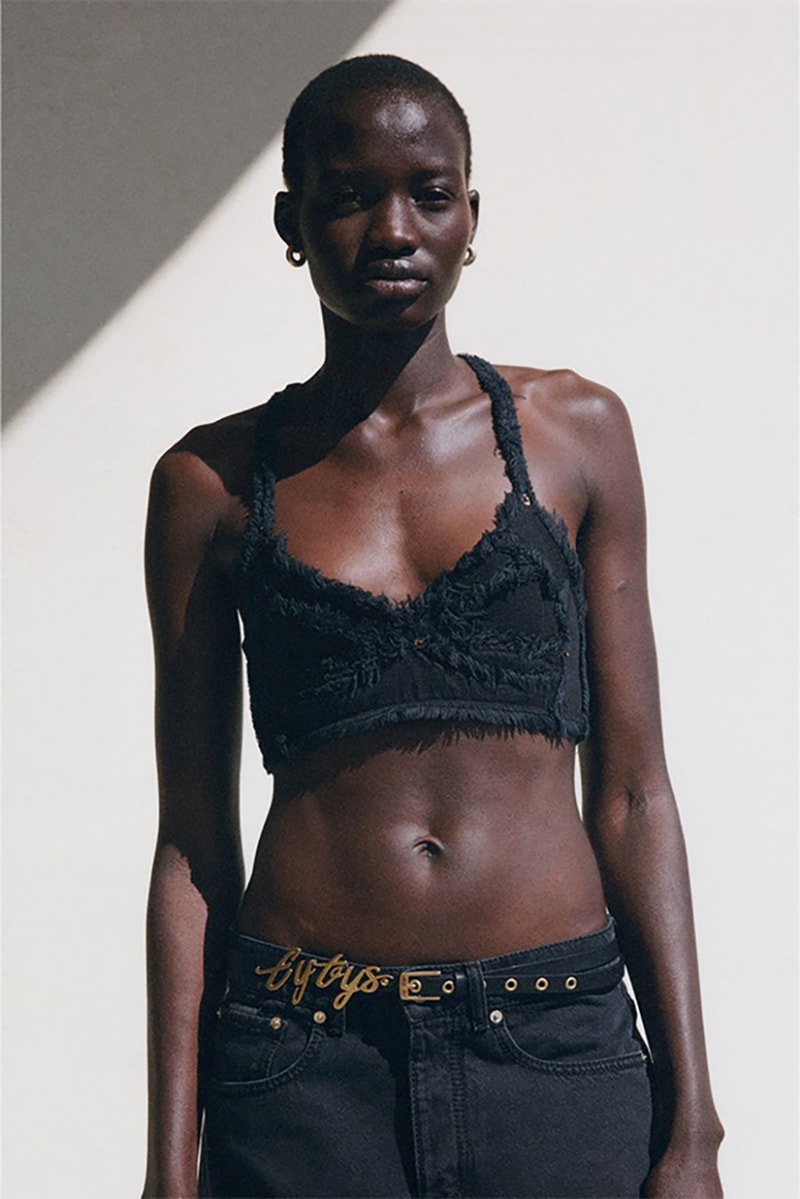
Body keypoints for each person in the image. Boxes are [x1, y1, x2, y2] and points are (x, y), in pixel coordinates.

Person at [142, 55, 723, 1199]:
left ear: (470, 216)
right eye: (348, 194)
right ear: (289, 224)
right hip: (303, 1060)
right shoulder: (210, 484)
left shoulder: (576, 435)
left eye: (429, 191)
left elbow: (634, 791)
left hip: (553, 1047)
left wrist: (692, 1125)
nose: (392, 227)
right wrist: (168, 1167)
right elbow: (192, 847)